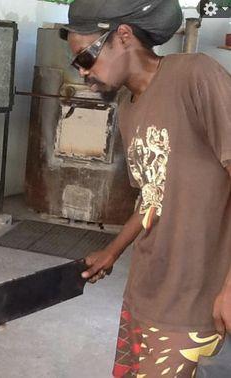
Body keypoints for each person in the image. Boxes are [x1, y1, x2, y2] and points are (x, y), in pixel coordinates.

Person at [59, 0, 231, 376]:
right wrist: (113, 251)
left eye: (85, 58)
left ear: (123, 37)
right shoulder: (128, 106)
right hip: (145, 292)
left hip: (196, 303)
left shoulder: (195, 75)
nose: (83, 73)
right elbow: (153, 193)